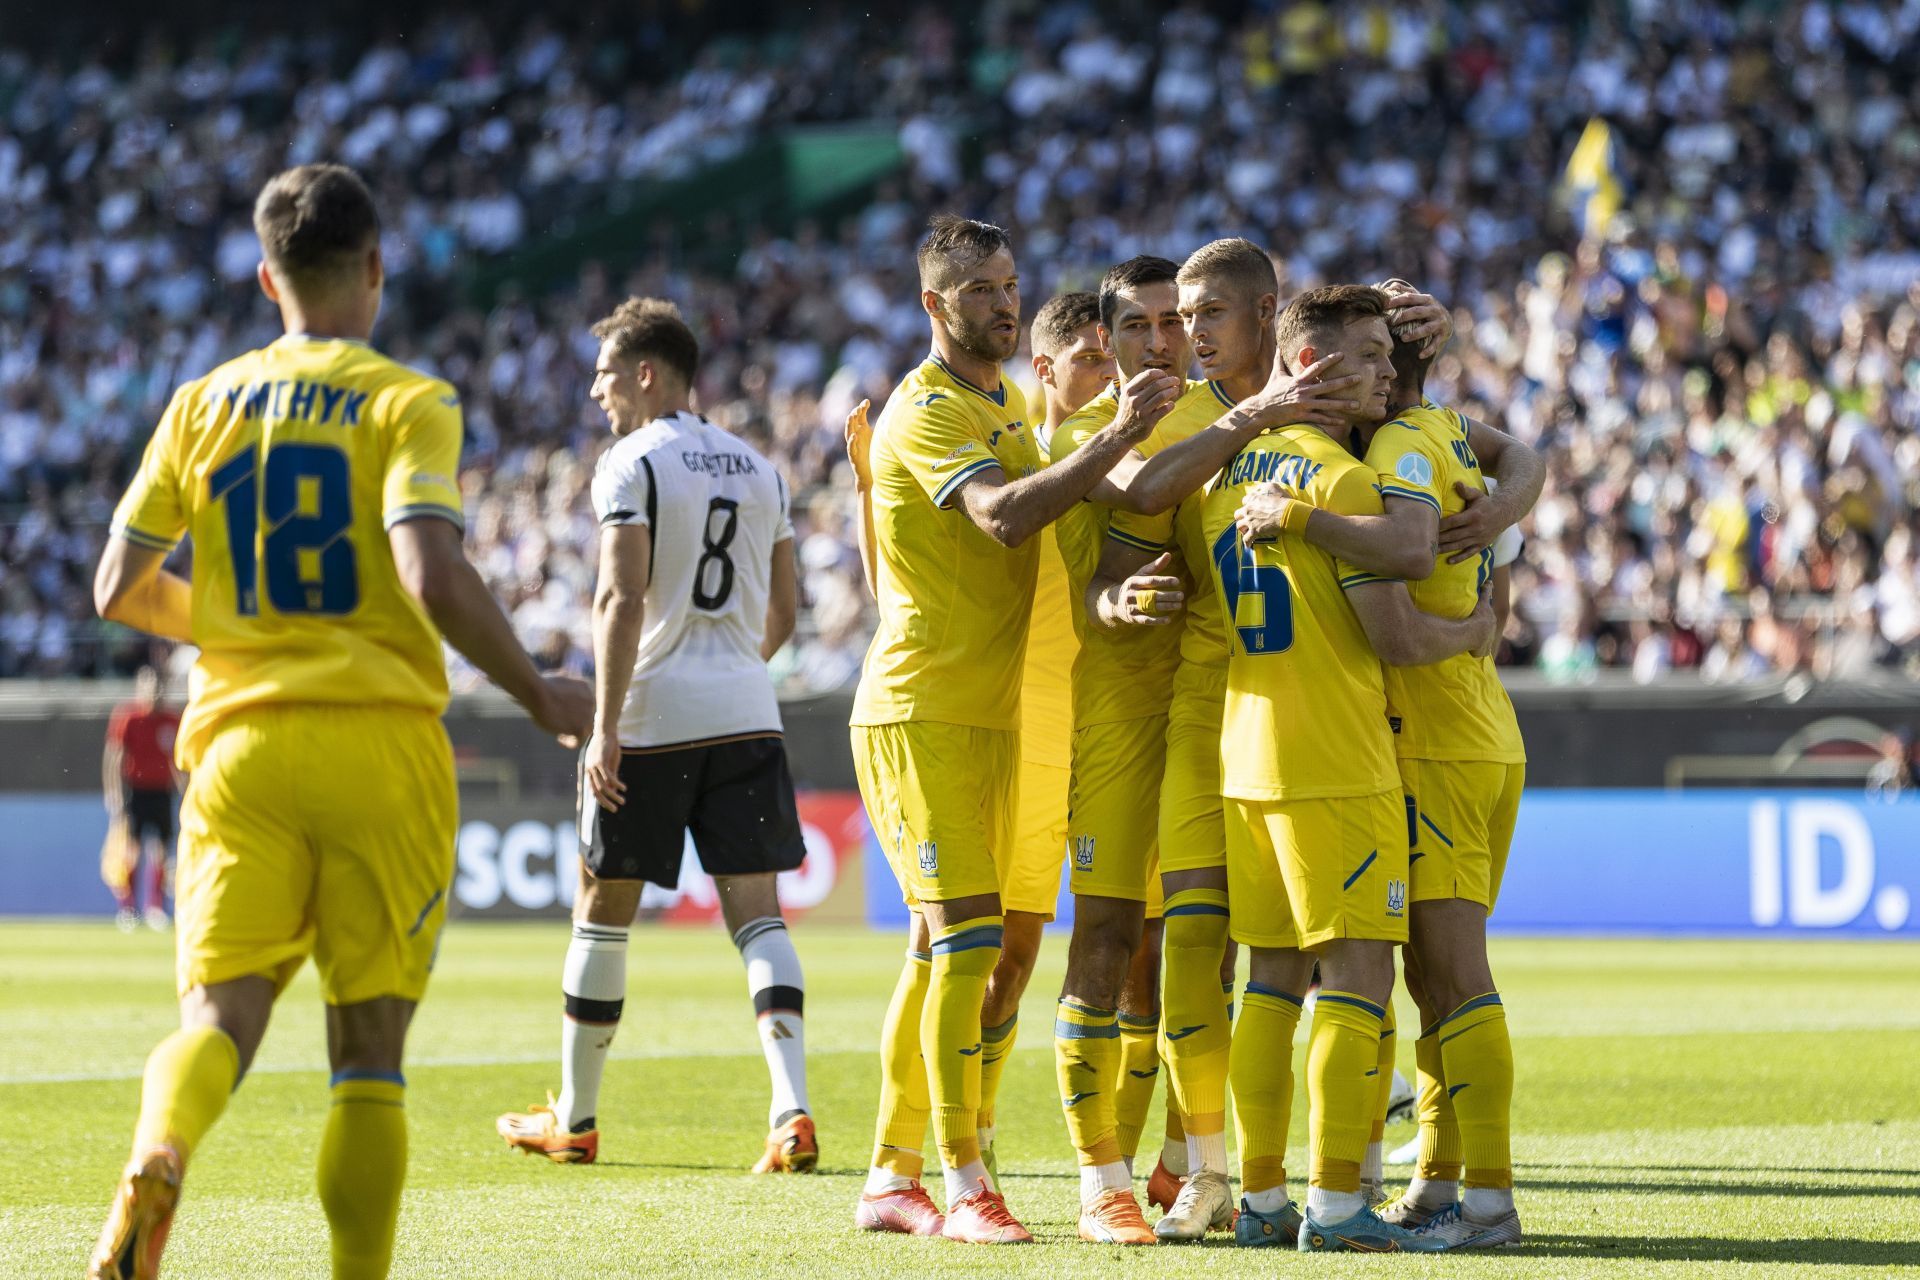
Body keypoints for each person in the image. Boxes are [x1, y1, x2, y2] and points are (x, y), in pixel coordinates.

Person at [85, 162, 591, 1280]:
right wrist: (543, 691)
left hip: (238, 748)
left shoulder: (201, 402)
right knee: (367, 1058)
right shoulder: (409, 400)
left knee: (217, 1019)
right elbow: (431, 569)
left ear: (268, 279)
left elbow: (117, 585)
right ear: (375, 267)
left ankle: (159, 1150)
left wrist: (224, 619)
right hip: (379, 745)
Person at [1083, 242, 1450, 1246]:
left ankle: (1303, 1175)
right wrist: (1121, 596)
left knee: (1288, 969)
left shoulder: (1344, 418)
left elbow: (1427, 423)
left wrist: (1422, 352)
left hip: (1273, 710)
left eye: (1206, 311)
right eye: (1174, 314)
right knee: (1212, 945)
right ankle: (1226, 1172)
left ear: (1268, 317)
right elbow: (1131, 523)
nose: (1188, 330)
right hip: (1231, 718)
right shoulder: (1200, 421)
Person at [846, 214, 1162, 1245]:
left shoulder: (1009, 407)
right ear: (934, 304)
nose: (1003, 299)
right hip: (921, 705)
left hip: (999, 716)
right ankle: (951, 1173)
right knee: (962, 941)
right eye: (980, 287)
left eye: (1010, 281)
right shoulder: (928, 407)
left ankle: (907, 1172)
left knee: (974, 950)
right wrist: (1118, 433)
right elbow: (1002, 515)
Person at [1202, 283, 1493, 1253]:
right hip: (1336, 752)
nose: (1385, 372)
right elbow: (1396, 633)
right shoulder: (1343, 480)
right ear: (1316, 365)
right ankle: (1337, 1207)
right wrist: (1479, 627)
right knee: (1360, 976)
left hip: (1246, 752)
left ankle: (1261, 1197)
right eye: (1368, 356)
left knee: (1271, 983)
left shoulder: (1229, 466)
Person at [495, 297, 816, 1175]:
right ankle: (791, 1108)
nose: (596, 392)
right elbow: (784, 611)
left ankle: (577, 1118)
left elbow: (621, 597)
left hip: (652, 716)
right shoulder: (761, 468)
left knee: (602, 909)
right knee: (758, 917)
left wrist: (605, 726)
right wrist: (730, 676)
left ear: (646, 372)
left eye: (604, 374)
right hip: (747, 709)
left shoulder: (629, 462)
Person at [102, 665, 183, 931]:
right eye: (150, 685)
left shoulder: (172, 720)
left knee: (160, 851)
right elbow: (114, 757)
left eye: (160, 686)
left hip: (162, 792)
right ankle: (128, 909)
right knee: (131, 852)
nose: (156, 691)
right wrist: (113, 793)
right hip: (135, 791)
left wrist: (186, 791)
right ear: (140, 687)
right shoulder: (128, 717)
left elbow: (179, 762)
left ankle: (156, 908)